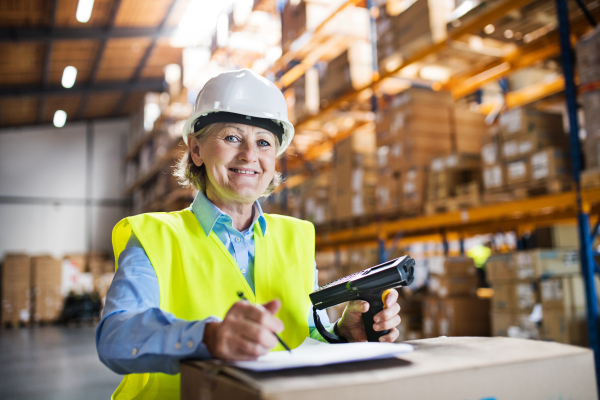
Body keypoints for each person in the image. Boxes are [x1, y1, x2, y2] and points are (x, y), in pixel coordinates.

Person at [96, 69, 402, 400]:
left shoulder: (296, 237)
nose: (249, 155)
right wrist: (207, 338)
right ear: (196, 150)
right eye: (231, 138)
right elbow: (115, 336)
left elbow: (306, 333)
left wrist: (342, 333)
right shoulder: (155, 235)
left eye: (263, 143)